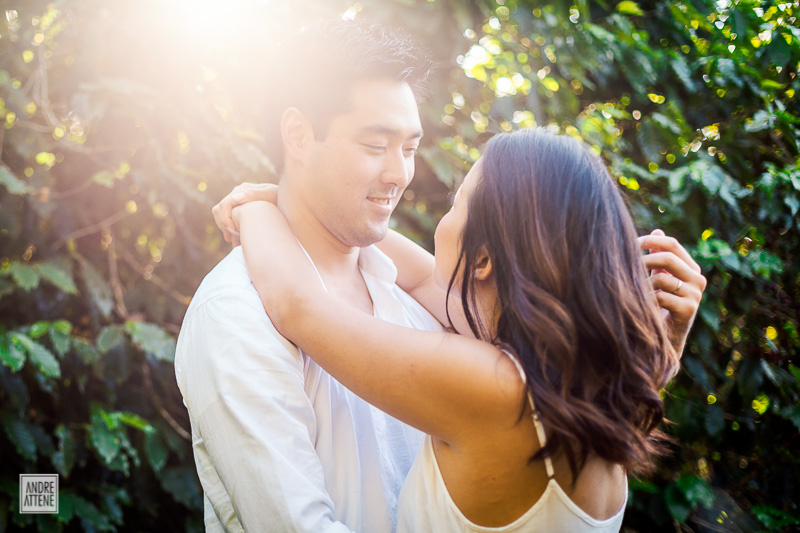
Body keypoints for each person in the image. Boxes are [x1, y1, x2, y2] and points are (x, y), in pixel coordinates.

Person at [218, 127, 707, 531]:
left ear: (484, 260)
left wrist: (252, 208)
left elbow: (297, 307)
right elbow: (415, 276)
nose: (443, 219)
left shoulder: (498, 388)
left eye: (456, 204)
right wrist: (305, 204)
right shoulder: (599, 392)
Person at [175, 19, 439, 532]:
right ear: (297, 134)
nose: (399, 174)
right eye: (375, 145)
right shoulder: (236, 312)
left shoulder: (413, 295)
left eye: (409, 149)